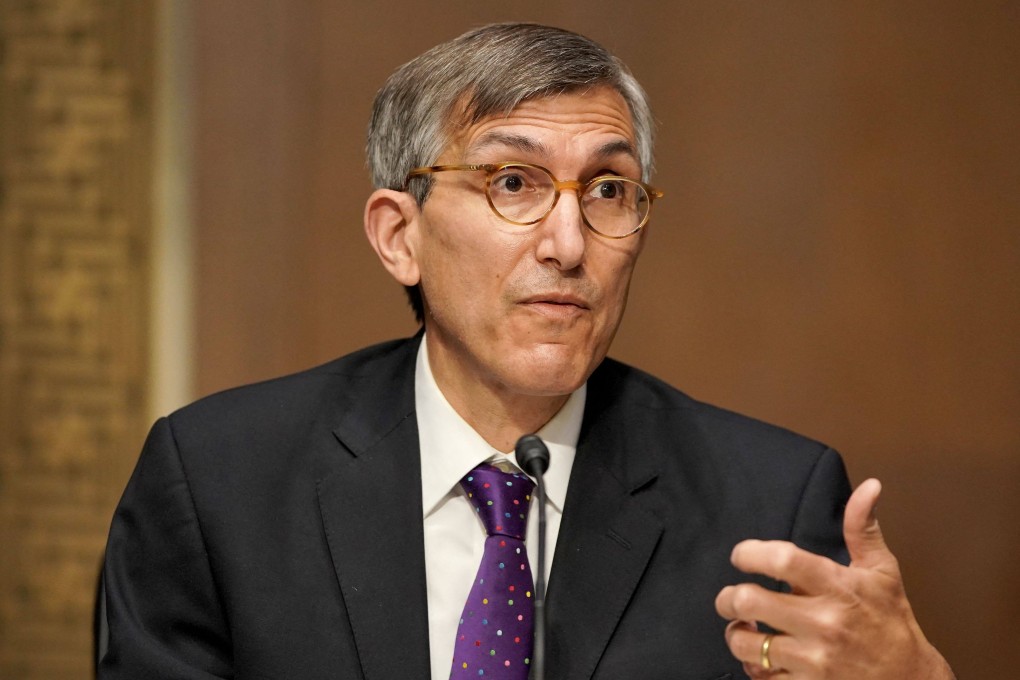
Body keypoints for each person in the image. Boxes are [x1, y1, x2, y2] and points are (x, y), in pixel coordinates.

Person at [99, 23, 955, 680]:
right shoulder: (219, 482)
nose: (568, 243)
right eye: (513, 182)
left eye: (608, 190)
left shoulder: (769, 506)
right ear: (399, 236)